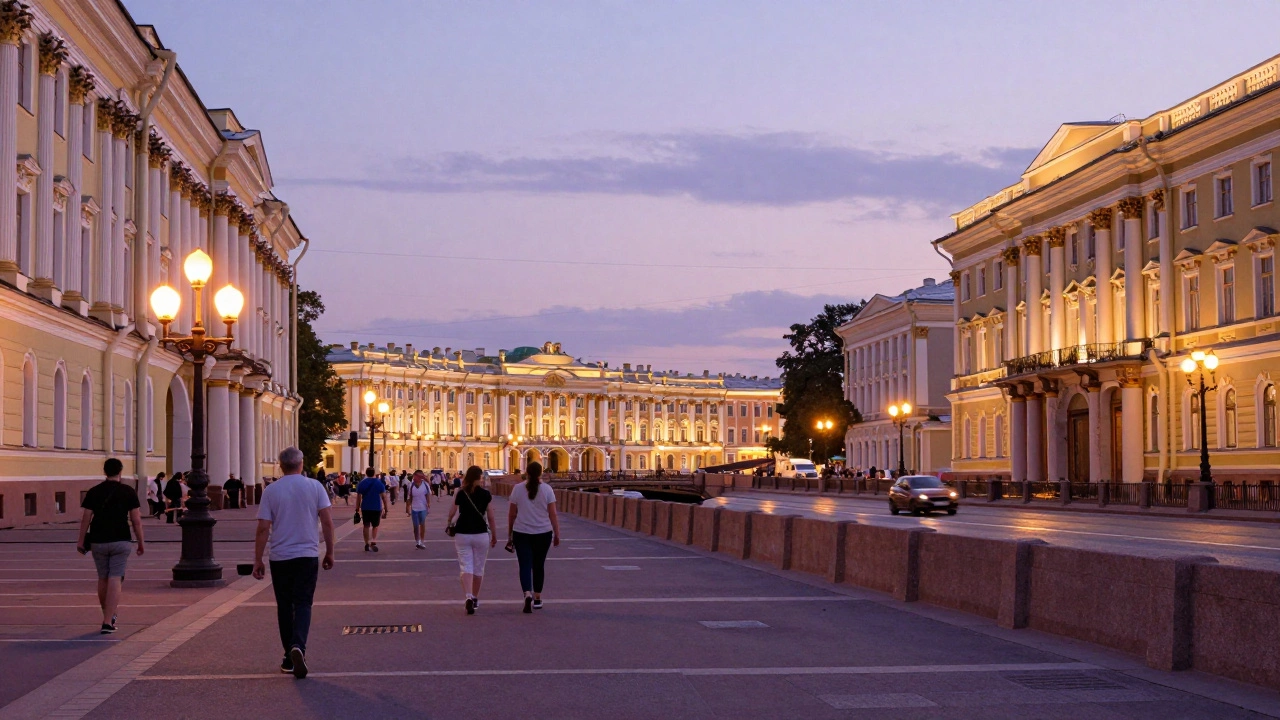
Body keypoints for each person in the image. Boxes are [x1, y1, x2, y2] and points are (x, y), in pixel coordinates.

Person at [253, 447, 335, 680]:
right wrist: (329, 552)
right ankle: (299, 645)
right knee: (303, 604)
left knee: (284, 605)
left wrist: (257, 559)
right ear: (301, 464)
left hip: (280, 556)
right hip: (307, 555)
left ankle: (289, 657)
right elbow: (327, 523)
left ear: (280, 466)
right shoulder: (315, 487)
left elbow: (262, 528)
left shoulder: (271, 490)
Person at [76, 458, 145, 634]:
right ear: (120, 471)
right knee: (115, 578)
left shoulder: (94, 492)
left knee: (103, 578)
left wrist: (81, 540)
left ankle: (108, 615)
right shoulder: (128, 491)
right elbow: (136, 520)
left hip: (98, 540)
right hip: (120, 539)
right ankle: (108, 621)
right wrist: (141, 542)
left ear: (105, 472)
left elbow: (86, 518)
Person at [505, 461, 560, 613]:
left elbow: (512, 514)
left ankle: (527, 593)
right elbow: (553, 514)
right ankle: (537, 598)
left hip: (521, 532)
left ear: (527, 473)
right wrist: (557, 533)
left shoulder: (517, 489)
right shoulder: (547, 489)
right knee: (538, 565)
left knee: (524, 565)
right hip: (543, 533)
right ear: (541, 473)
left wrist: (509, 534)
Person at [446, 465, 496, 615]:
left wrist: (449, 523)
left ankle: (468, 596)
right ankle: (475, 598)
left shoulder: (461, 493)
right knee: (478, 568)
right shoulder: (486, 494)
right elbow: (491, 517)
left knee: (466, 565)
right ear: (480, 477)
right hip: (481, 534)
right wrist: (494, 535)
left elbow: (452, 511)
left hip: (462, 533)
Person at [355, 468, 389, 552]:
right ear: (374, 473)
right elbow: (384, 497)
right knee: (375, 525)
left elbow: (358, 497)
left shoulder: (362, 483)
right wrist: (386, 509)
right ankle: (373, 540)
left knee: (366, 525)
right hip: (376, 507)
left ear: (366, 473)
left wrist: (357, 508)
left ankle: (366, 543)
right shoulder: (379, 483)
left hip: (365, 507)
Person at [406, 470, 432, 548]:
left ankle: (422, 540)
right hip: (414, 508)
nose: (414, 478)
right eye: (414, 476)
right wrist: (407, 508)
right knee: (416, 526)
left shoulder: (425, 485)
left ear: (420, 477)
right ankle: (418, 541)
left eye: (416, 476)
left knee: (422, 524)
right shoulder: (411, 485)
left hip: (423, 508)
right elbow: (409, 497)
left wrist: (428, 504)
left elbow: (428, 495)